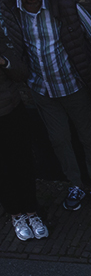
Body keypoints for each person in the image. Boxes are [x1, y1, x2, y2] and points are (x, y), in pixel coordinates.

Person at [2, 0, 91, 212]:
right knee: (59, 140)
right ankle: (75, 185)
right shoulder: (8, 10)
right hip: (42, 90)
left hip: (73, 86)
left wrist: (84, 65)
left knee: (88, 137)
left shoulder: (65, 5)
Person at [0, 18, 48, 239]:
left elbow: (21, 73)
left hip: (12, 112)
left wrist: (4, 61)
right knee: (4, 169)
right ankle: (16, 214)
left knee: (24, 162)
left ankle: (32, 211)